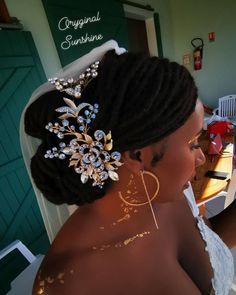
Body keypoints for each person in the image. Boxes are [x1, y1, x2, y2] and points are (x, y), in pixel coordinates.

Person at [21, 40, 235, 295]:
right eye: (191, 144)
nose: (201, 157)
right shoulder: (67, 284)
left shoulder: (166, 194)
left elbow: (210, 248)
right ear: (137, 155)